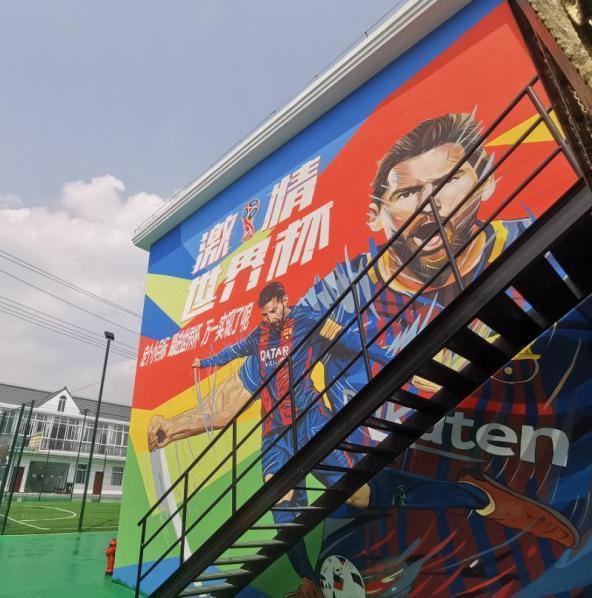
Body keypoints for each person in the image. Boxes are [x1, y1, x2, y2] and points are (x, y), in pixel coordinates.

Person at [148, 113, 579, 598]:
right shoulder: (336, 294)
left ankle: (474, 495)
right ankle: (308, 580)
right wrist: (172, 426)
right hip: (309, 440)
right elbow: (241, 385)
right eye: (409, 192)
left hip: (440, 459)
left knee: (361, 496)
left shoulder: (535, 246)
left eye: (449, 181)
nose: (432, 203)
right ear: (377, 213)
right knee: (301, 502)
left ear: (486, 181)